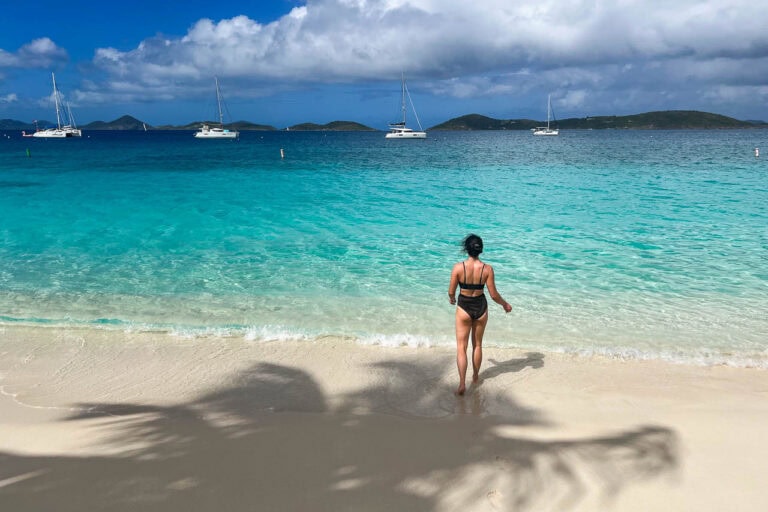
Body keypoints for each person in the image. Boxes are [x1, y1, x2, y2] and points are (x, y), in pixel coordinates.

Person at [448, 234, 512, 395]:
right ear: (480, 249)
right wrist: (505, 304)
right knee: (477, 345)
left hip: (464, 307)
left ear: (466, 248)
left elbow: (451, 291)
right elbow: (494, 295)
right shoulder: (487, 269)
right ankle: (475, 377)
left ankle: (462, 383)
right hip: (481, 306)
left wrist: (452, 298)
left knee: (461, 348)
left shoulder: (458, 268)